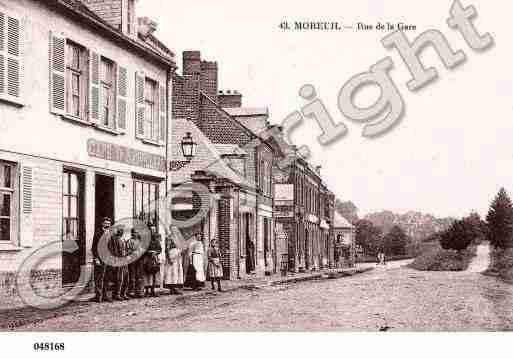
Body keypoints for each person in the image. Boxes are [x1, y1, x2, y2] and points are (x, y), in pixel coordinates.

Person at [91, 217, 113, 303]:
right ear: (102, 224)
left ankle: (105, 296)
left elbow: (111, 247)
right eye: (106, 223)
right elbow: (93, 247)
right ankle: (98, 296)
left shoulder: (110, 234)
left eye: (109, 224)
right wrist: (96, 258)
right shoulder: (97, 233)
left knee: (107, 278)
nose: (107, 225)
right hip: (100, 259)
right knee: (99, 278)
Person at [110, 225, 129, 301]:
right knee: (119, 278)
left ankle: (123, 293)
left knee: (126, 277)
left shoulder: (124, 239)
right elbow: (114, 251)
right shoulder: (115, 240)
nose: (121, 231)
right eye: (120, 230)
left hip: (125, 260)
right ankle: (117, 294)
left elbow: (126, 249)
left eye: (122, 230)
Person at [143, 225, 162, 297]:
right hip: (147, 258)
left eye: (154, 230)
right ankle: (146, 290)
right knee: (147, 274)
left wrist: (156, 252)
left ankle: (153, 290)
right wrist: (149, 252)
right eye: (151, 230)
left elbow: (160, 249)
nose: (152, 231)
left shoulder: (156, 240)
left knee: (154, 274)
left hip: (154, 258)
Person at [127, 228, 145, 298]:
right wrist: (133, 252)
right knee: (132, 275)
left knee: (139, 275)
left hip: (139, 260)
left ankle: (139, 291)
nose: (135, 234)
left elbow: (143, 249)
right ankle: (131, 291)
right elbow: (128, 250)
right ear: (132, 233)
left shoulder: (140, 241)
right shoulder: (129, 241)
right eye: (134, 232)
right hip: (132, 260)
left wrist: (141, 252)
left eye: (137, 232)